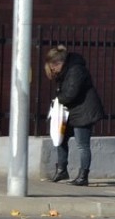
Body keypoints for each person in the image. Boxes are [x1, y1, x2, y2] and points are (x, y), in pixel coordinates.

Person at [44, 44, 106, 186]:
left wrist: (59, 99)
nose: (53, 71)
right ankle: (61, 170)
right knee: (59, 138)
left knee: (82, 145)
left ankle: (83, 176)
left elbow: (71, 93)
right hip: (72, 112)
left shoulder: (75, 69)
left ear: (59, 63)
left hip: (84, 111)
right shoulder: (66, 71)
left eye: (53, 67)